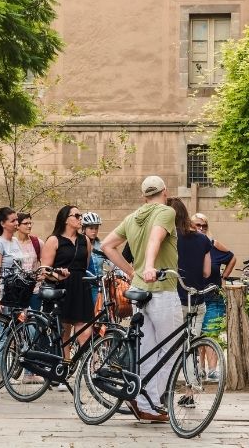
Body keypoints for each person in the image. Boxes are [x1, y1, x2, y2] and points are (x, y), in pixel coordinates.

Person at [101, 175, 180, 423]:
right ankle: (153, 402)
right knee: (171, 348)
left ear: (144, 195)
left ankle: (145, 403)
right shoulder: (166, 212)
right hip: (162, 289)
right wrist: (148, 266)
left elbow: (107, 245)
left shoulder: (132, 217)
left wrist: (129, 271)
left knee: (148, 349)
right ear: (165, 191)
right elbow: (156, 238)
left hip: (139, 291)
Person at [169, 199, 220, 387]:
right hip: (197, 300)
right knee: (190, 346)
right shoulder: (203, 239)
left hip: (175, 299)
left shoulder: (170, 238)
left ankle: (165, 389)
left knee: (171, 347)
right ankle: (191, 390)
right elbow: (206, 272)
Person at [40, 205, 93, 356]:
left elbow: (85, 264)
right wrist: (58, 276)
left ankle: (89, 368)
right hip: (61, 287)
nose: (80, 218)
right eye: (76, 216)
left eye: (80, 215)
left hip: (81, 286)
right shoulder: (54, 240)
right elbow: (45, 270)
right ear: (65, 220)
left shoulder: (85, 241)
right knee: (64, 331)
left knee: (84, 330)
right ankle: (65, 366)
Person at [191, 213, 236, 337]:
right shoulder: (188, 244)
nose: (201, 228)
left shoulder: (213, 244)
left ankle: (212, 357)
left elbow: (232, 258)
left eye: (204, 226)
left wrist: (224, 277)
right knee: (197, 338)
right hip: (193, 298)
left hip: (212, 296)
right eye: (198, 225)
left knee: (211, 336)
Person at [0, 207, 25, 313]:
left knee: (26, 327)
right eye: (13, 221)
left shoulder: (15, 241)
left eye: (17, 220)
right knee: (3, 327)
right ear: (3, 223)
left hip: (17, 292)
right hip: (4, 293)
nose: (16, 223)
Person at [15, 212, 44, 310]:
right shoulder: (12, 243)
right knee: (18, 321)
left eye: (30, 223)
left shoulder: (37, 242)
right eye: (26, 223)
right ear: (17, 226)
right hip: (17, 290)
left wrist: (43, 275)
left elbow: (45, 264)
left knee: (35, 320)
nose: (29, 226)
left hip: (34, 289)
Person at [81, 212, 105, 304]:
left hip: (97, 286)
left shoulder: (101, 246)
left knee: (101, 312)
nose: (94, 231)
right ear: (84, 228)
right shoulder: (78, 245)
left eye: (96, 228)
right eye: (91, 228)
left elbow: (113, 261)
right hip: (82, 285)